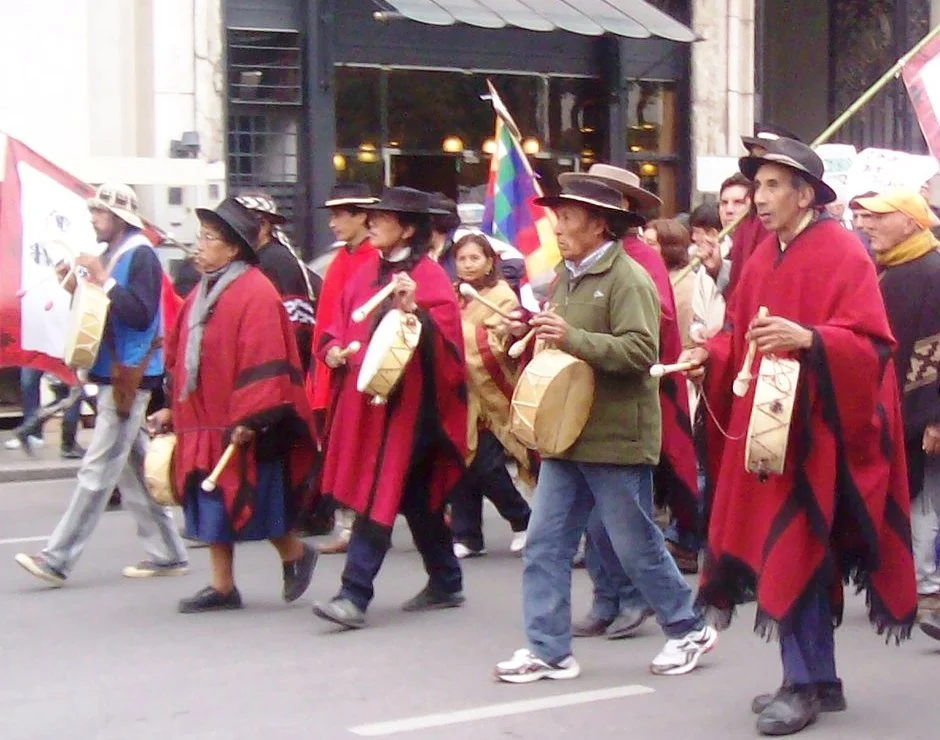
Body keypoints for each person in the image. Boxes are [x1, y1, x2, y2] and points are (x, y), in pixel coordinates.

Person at [679, 139, 917, 736]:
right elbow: (739, 332)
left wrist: (811, 337)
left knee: (799, 551)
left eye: (772, 186)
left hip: (822, 438)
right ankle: (823, 680)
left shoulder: (842, 251)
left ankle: (802, 685)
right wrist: (705, 353)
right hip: (770, 430)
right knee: (787, 547)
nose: (758, 199)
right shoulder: (762, 256)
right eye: (755, 187)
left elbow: (873, 346)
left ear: (806, 194)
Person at [493, 178, 717, 684]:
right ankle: (549, 650)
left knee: (635, 544)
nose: (558, 226)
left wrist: (571, 336)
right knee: (545, 545)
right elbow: (562, 349)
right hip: (566, 432)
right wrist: (529, 331)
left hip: (616, 437)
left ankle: (688, 628)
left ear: (599, 223)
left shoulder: (629, 278)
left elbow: (641, 353)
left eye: (568, 217)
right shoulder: (564, 278)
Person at [148, 198, 319, 613]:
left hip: (239, 419)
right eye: (200, 237)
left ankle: (295, 552)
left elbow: (264, 355)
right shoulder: (199, 294)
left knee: (247, 503)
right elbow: (181, 356)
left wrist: (253, 417)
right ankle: (223, 586)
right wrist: (171, 406)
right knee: (208, 505)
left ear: (234, 248)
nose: (199, 247)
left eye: (209, 239)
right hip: (201, 419)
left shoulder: (256, 292)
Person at [14, 183, 188, 586]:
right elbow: (108, 309)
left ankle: (57, 558)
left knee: (97, 472)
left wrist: (99, 280)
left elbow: (141, 314)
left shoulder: (139, 254)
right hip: (119, 372)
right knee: (128, 470)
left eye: (100, 213)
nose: (93, 218)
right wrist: (81, 285)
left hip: (128, 373)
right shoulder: (121, 254)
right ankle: (167, 553)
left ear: (119, 217)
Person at [312, 187, 468, 630]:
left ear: (409, 227)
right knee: (417, 497)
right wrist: (333, 350)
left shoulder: (427, 275)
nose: (373, 222)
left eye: (384, 217)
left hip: (410, 408)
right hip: (371, 405)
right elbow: (337, 323)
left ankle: (353, 593)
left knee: (377, 489)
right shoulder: (365, 271)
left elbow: (448, 342)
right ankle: (446, 579)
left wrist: (415, 311)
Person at [853, 189, 940, 619]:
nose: (868, 224)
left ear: (910, 221)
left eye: (880, 216)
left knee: (924, 497)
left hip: (921, 408)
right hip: (891, 404)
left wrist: (932, 416)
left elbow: (933, 347)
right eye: (865, 216)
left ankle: (926, 587)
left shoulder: (931, 269)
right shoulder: (889, 268)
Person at [449, 233, 531, 559]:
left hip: (489, 393)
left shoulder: (502, 297)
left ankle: (523, 519)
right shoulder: (453, 295)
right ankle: (466, 534)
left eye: (474, 258)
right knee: (460, 462)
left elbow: (499, 346)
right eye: (462, 259)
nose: (468, 265)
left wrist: (461, 333)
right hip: (459, 392)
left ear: (489, 262)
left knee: (486, 465)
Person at [306, 183, 378, 553]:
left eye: (340, 215)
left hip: (359, 368)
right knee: (338, 445)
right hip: (332, 364)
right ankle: (351, 523)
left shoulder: (373, 261)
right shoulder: (340, 261)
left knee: (360, 448)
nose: (333, 223)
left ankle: (359, 525)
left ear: (362, 216)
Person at [235, 191, 320, 374]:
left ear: (264, 225)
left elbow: (297, 328)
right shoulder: (255, 259)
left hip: (280, 372)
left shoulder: (278, 262)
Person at [6, 368, 84, 458]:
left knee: (67, 396)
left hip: (52, 361)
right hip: (62, 361)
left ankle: (27, 429)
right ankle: (68, 445)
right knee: (73, 394)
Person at [644, 219, 695, 349]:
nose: (643, 248)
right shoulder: (645, 279)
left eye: (650, 244)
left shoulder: (687, 285)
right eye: (641, 242)